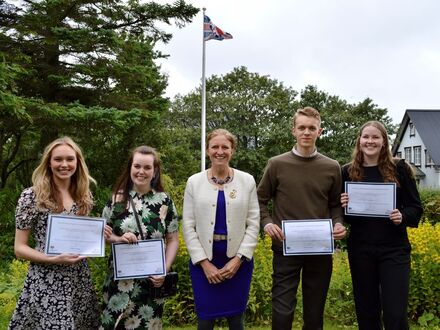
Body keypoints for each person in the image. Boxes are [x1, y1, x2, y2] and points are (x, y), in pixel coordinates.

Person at [257, 107, 346, 330]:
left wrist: (338, 224)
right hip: (285, 246)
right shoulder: (276, 164)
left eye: (312, 128)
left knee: (314, 313)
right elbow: (259, 200)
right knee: (282, 310)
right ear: (293, 131)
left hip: (320, 248)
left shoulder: (332, 166)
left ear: (320, 132)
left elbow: (336, 204)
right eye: (302, 127)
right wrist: (267, 223)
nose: (306, 132)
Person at [8, 136, 101, 329]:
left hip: (79, 279)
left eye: (70, 159)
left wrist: (100, 235)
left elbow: (81, 240)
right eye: (58, 159)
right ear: (49, 163)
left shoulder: (83, 196)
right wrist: (52, 259)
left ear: (78, 162)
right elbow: (19, 248)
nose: (64, 164)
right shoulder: (31, 196)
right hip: (47, 279)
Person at [340, 121, 422, 330]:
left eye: (375, 137)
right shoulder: (347, 172)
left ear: (384, 141)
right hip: (361, 250)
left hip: (394, 250)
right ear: (359, 141)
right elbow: (343, 216)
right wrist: (344, 206)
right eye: (366, 137)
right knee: (367, 312)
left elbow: (415, 208)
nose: (370, 141)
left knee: (395, 314)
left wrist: (402, 216)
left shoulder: (400, 169)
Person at [182, 128, 260, 330]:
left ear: (232, 150)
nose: (220, 151)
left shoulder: (247, 181)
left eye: (225, 147)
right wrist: (204, 264)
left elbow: (253, 224)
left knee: (236, 321)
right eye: (214, 146)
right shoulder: (194, 182)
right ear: (207, 150)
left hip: (238, 263)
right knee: (205, 321)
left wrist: (238, 260)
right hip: (203, 263)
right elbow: (188, 227)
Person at [100, 145, 179, 330]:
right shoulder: (116, 199)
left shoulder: (165, 201)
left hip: (152, 285)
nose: (141, 171)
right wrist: (118, 239)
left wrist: (164, 269)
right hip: (119, 284)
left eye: (147, 167)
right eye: (137, 166)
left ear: (155, 171)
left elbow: (173, 239)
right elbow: (103, 234)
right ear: (130, 168)